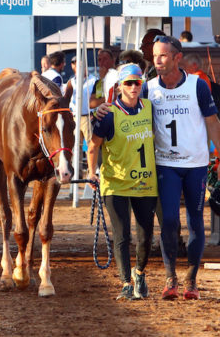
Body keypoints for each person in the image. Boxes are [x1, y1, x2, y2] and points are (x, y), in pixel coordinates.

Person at [145, 35, 220, 300]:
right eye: (154, 55)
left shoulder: (197, 85)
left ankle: (191, 279)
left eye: (162, 55)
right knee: (169, 220)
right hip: (165, 164)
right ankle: (170, 276)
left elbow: (213, 122)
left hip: (195, 164)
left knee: (196, 221)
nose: (156, 60)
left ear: (177, 57)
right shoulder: (149, 88)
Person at [87, 63, 157, 300]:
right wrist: (91, 172)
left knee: (146, 235)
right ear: (119, 87)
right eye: (128, 83)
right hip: (115, 182)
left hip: (145, 182)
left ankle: (139, 273)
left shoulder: (149, 106)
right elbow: (93, 144)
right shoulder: (108, 115)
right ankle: (126, 283)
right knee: (122, 234)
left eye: (137, 82)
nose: (133, 87)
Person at [64, 55, 97, 164]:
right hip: (74, 118)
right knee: (75, 147)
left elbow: (98, 98)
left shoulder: (94, 80)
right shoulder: (71, 82)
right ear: (72, 66)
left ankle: (93, 169)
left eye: (80, 64)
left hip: (88, 116)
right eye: (75, 64)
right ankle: (76, 170)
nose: (77, 67)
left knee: (91, 144)